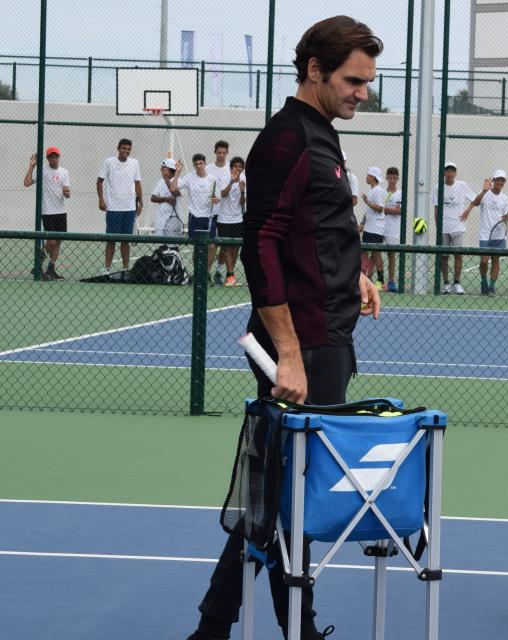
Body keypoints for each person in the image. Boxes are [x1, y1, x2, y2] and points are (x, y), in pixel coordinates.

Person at [186, 16, 382, 640]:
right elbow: (261, 245)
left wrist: (353, 275)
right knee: (297, 498)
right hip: (302, 345)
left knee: (278, 494)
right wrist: (290, 355)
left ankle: (217, 628)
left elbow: (313, 226)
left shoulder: (321, 134)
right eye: (353, 80)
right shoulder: (285, 139)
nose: (363, 92)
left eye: (368, 82)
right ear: (314, 70)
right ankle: (290, 628)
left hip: (326, 333)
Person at [170, 154, 220, 281]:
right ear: (194, 165)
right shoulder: (189, 177)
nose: (198, 166)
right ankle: (198, 272)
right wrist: (177, 173)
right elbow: (173, 188)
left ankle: (206, 273)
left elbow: (218, 198)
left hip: (208, 217)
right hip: (194, 216)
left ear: (204, 163)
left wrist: (215, 200)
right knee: (197, 246)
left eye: (201, 163)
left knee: (213, 245)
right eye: (196, 164)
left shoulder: (212, 179)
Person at [23, 146, 70, 280]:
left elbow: (67, 192)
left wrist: (67, 193)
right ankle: (38, 265)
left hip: (61, 211)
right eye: (51, 156)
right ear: (47, 158)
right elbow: (26, 183)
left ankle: (51, 269)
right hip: (47, 211)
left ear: (59, 157)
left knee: (59, 240)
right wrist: (32, 165)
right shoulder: (42, 170)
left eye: (56, 156)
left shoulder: (64, 172)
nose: (54, 159)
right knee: (52, 242)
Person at [462, 170, 508, 295]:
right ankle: (483, 281)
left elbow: (506, 217)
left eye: (502, 180)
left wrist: (506, 218)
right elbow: (475, 203)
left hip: (499, 235)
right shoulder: (485, 193)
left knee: (496, 260)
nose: (500, 182)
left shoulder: (505, 198)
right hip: (485, 234)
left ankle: (491, 287)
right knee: (484, 261)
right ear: (493, 180)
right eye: (498, 179)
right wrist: (484, 190)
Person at [97, 138, 142, 274]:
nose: (126, 151)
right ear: (118, 148)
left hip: (129, 208)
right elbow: (99, 181)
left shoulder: (134, 163)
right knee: (111, 240)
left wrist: (140, 202)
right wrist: (101, 200)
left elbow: (138, 183)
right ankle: (107, 268)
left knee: (125, 241)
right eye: (124, 148)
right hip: (113, 208)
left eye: (128, 149)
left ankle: (125, 269)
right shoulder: (109, 162)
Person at [432, 161, 475, 294]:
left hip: (458, 227)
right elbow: (436, 208)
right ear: (444, 173)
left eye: (452, 170)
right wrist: (438, 227)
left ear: (455, 173)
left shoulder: (462, 186)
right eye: (447, 170)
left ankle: (457, 282)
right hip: (444, 228)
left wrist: (467, 211)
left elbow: (474, 200)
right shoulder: (437, 187)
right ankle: (446, 283)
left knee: (458, 255)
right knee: (444, 257)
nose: (449, 173)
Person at [216, 156, 246, 286]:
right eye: (235, 166)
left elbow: (242, 202)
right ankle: (229, 274)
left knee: (236, 247)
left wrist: (242, 191)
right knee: (227, 247)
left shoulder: (244, 180)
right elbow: (222, 194)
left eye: (240, 167)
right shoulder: (224, 178)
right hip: (224, 218)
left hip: (238, 219)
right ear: (231, 168)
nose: (237, 169)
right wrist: (231, 182)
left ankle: (231, 274)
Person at [208, 141, 231, 284]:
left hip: (227, 214)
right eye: (219, 153)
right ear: (215, 152)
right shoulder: (208, 168)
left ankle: (219, 272)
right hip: (211, 213)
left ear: (227, 153)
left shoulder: (231, 169)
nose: (221, 155)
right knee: (211, 244)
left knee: (224, 244)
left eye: (223, 153)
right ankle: (206, 273)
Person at [359, 166, 386, 283]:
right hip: (369, 227)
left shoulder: (378, 191)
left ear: (373, 177)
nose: (366, 177)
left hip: (376, 228)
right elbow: (368, 212)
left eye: (368, 175)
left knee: (376, 254)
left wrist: (367, 202)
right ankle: (365, 278)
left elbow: (380, 208)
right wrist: (362, 224)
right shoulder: (371, 190)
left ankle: (381, 281)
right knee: (364, 251)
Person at [381, 167, 402, 292]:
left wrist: (384, 210)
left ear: (398, 178)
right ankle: (378, 280)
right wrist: (391, 210)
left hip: (393, 229)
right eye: (390, 178)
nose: (392, 180)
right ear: (386, 178)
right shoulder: (382, 192)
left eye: (395, 178)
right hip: (380, 227)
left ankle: (391, 281)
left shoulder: (400, 194)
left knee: (391, 255)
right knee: (375, 254)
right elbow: (376, 209)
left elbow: (400, 211)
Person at [150, 158, 181, 236]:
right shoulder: (161, 181)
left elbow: (175, 193)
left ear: (170, 170)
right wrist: (166, 199)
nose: (161, 170)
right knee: (161, 245)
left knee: (172, 245)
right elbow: (153, 198)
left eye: (163, 168)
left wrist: (167, 179)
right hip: (161, 216)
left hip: (173, 217)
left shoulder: (178, 180)